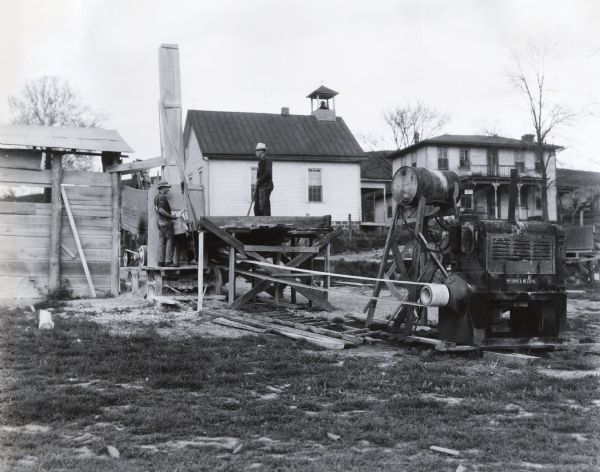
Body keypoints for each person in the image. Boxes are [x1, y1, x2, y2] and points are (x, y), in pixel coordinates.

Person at [154, 180, 179, 267]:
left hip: (159, 222)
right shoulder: (162, 197)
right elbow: (161, 210)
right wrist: (172, 217)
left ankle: (160, 262)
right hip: (166, 222)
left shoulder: (156, 197)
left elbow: (158, 210)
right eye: (167, 187)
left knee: (162, 241)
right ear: (163, 188)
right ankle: (169, 262)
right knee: (170, 240)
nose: (168, 189)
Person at [254, 142, 273, 216]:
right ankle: (259, 224)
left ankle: (266, 224)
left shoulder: (267, 160)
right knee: (257, 207)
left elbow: (268, 173)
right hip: (261, 187)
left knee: (264, 207)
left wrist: (259, 180)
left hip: (265, 186)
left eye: (256, 151)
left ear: (261, 151)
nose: (255, 153)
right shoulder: (261, 162)